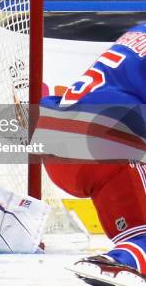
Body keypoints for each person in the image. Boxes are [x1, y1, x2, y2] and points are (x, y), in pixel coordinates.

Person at [33, 22, 145, 286]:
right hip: (104, 139)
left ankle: (121, 260)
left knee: (137, 235)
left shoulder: (140, 29)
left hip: (54, 141)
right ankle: (122, 263)